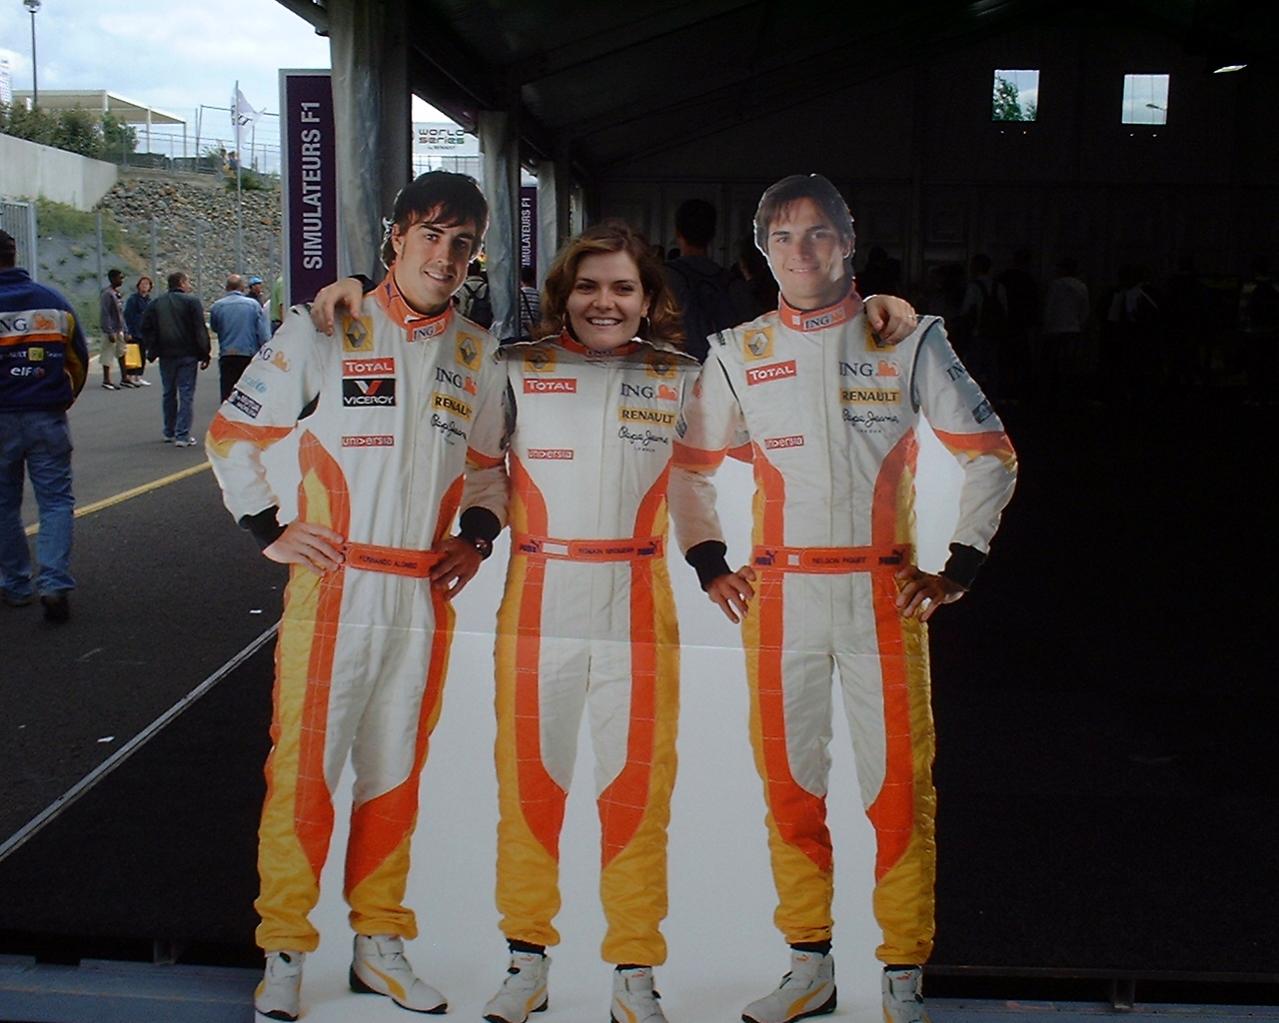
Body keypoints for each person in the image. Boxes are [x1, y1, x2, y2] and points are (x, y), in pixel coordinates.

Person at [312, 221, 918, 1023]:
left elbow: (788, 410)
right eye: (588, 286)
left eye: (623, 287)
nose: (605, 301)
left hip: (636, 605)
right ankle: (526, 962)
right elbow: (476, 460)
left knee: (636, 797)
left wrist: (864, 313)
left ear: (647, 299)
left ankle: (635, 973)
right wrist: (359, 286)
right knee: (529, 791)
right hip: (538, 602)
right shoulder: (513, 367)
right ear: (563, 294)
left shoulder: (684, 377)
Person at [668, 173, 1018, 1023]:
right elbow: (689, 467)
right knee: (790, 785)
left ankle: (901, 974)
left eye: (818, 232)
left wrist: (959, 565)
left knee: (899, 789)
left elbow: (991, 454)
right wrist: (710, 561)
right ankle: (808, 963)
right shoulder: (738, 349)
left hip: (880, 596)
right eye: (782, 236)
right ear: (762, 251)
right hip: (779, 596)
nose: (801, 251)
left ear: (848, 240)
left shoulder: (907, 337)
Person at [208, 171, 508, 1023]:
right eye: (430, 235)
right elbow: (232, 432)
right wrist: (265, 524)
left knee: (393, 773)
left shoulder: (477, 353)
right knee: (304, 774)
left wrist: (477, 537)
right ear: (396, 235)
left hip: (419, 598)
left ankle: (379, 941)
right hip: (334, 590)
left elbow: (490, 473)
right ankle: (285, 949)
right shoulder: (328, 326)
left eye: (461, 243)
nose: (444, 256)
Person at [0, 229, 89, 623]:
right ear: (14, 255)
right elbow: (78, 361)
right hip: (47, 416)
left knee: (4, 505)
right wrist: (61, 398)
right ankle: (53, 584)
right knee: (55, 502)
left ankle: (16, 584)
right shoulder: (53, 302)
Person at [664, 198, 750, 362]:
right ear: (713, 234)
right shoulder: (732, 283)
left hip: (678, 364)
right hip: (724, 364)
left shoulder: (665, 277)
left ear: (677, 232)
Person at [141, 272, 210, 446]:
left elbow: (145, 327)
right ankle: (182, 434)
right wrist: (205, 353)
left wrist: (153, 347)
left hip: (166, 354)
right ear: (181, 283)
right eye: (187, 281)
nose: (189, 285)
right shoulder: (192, 302)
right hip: (188, 354)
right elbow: (199, 329)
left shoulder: (156, 303)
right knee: (186, 393)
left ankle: (169, 431)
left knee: (168, 392)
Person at [209, 273, 270, 401]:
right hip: (248, 353)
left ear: (226, 288)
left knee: (227, 389)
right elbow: (263, 333)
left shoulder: (217, 306)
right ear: (242, 288)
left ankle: (226, 412)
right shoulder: (253, 305)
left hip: (227, 353)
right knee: (248, 391)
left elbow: (215, 327)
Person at [98, 268, 128, 390]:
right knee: (108, 353)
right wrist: (109, 331)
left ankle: (124, 377)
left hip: (119, 328)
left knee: (122, 352)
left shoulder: (117, 293)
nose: (121, 280)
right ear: (112, 279)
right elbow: (105, 313)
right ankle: (106, 379)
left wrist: (125, 329)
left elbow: (120, 313)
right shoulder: (107, 294)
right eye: (120, 278)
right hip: (111, 330)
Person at [122, 276, 154, 387]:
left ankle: (138, 376)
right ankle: (130, 376)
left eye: (147, 284)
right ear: (138, 286)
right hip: (134, 331)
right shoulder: (133, 299)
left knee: (142, 355)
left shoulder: (149, 301)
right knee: (133, 354)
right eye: (142, 284)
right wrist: (128, 331)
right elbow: (127, 316)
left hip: (144, 332)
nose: (144, 286)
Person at [516, 264, 540, 340]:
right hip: (533, 336)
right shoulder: (540, 296)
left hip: (517, 334)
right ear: (533, 279)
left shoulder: (516, 296)